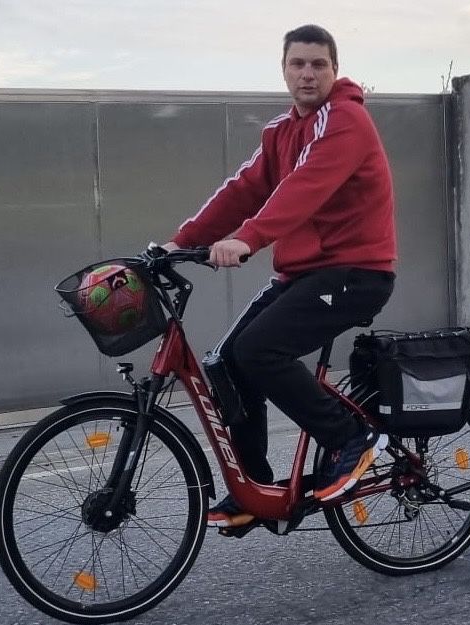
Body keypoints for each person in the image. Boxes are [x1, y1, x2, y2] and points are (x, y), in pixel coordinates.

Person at [163, 24, 397, 532]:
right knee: (226, 361)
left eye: (318, 64)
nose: (308, 73)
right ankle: (255, 490)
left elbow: (303, 191)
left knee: (259, 351)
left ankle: (350, 437)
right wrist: (181, 241)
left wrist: (247, 240)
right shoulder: (281, 132)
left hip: (357, 272)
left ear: (335, 70)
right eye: (298, 64)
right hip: (306, 274)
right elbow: (243, 189)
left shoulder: (346, 121)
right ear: (284, 70)